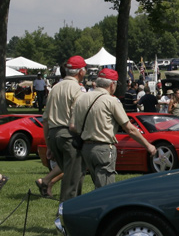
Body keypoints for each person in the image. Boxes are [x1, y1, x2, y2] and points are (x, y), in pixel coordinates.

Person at [71, 68, 156, 188]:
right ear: (112, 84)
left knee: (98, 186)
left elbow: (73, 126)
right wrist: (148, 146)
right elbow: (129, 128)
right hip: (103, 147)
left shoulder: (81, 98)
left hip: (85, 147)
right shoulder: (111, 100)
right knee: (106, 189)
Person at [43, 56, 86, 202]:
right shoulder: (77, 89)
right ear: (80, 72)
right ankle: (66, 212)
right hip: (69, 136)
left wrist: (49, 145)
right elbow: (77, 118)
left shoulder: (55, 88)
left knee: (70, 175)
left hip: (54, 135)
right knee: (73, 180)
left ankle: (68, 209)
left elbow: (45, 120)